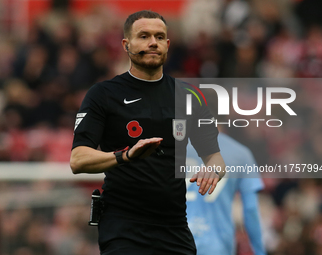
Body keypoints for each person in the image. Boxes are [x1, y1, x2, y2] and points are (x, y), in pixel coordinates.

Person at [70, 10, 226, 255]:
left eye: (159, 36)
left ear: (167, 44)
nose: (153, 42)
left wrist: (213, 169)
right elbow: (77, 159)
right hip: (123, 228)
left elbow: (215, 157)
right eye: (143, 36)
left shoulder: (189, 96)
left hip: (174, 227)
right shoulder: (103, 95)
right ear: (126, 44)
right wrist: (126, 156)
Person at [186, 132, 266, 255]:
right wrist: (259, 251)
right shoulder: (240, 153)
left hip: (176, 241)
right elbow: (250, 209)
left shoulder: (174, 148)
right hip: (217, 245)